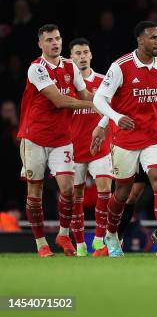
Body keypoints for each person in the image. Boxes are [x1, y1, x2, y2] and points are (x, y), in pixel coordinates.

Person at [91, 21, 157, 257]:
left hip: (154, 135)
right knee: (122, 192)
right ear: (140, 41)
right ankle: (110, 234)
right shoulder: (121, 66)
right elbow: (100, 99)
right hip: (125, 138)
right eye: (153, 38)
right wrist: (112, 118)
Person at [18, 24, 94, 257]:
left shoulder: (71, 66)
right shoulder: (36, 69)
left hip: (62, 138)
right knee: (35, 190)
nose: (55, 43)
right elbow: (60, 101)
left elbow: (85, 95)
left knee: (68, 189)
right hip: (35, 138)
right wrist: (96, 105)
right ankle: (41, 243)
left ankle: (63, 234)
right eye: (49, 39)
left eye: (58, 38)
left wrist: (109, 101)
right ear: (41, 44)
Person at [68, 38, 113, 257]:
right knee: (74, 196)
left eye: (86, 52)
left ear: (91, 55)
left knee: (105, 191)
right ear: (71, 58)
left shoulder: (105, 82)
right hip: (73, 149)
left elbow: (112, 112)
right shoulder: (65, 87)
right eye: (77, 53)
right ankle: (80, 244)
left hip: (100, 147)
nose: (82, 56)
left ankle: (98, 238)